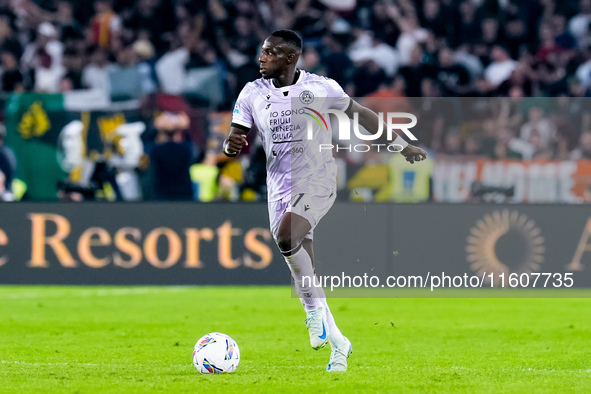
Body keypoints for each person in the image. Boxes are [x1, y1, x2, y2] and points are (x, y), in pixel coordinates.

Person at [223, 30, 426, 372]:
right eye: (262, 52)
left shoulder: (321, 88)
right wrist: (232, 144)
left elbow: (362, 116)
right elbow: (237, 133)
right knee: (304, 267)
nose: (262, 58)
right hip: (279, 186)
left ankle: (312, 312)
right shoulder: (251, 92)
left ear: (290, 58)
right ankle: (339, 344)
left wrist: (400, 145)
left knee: (288, 238)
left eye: (270, 53)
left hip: (317, 180)